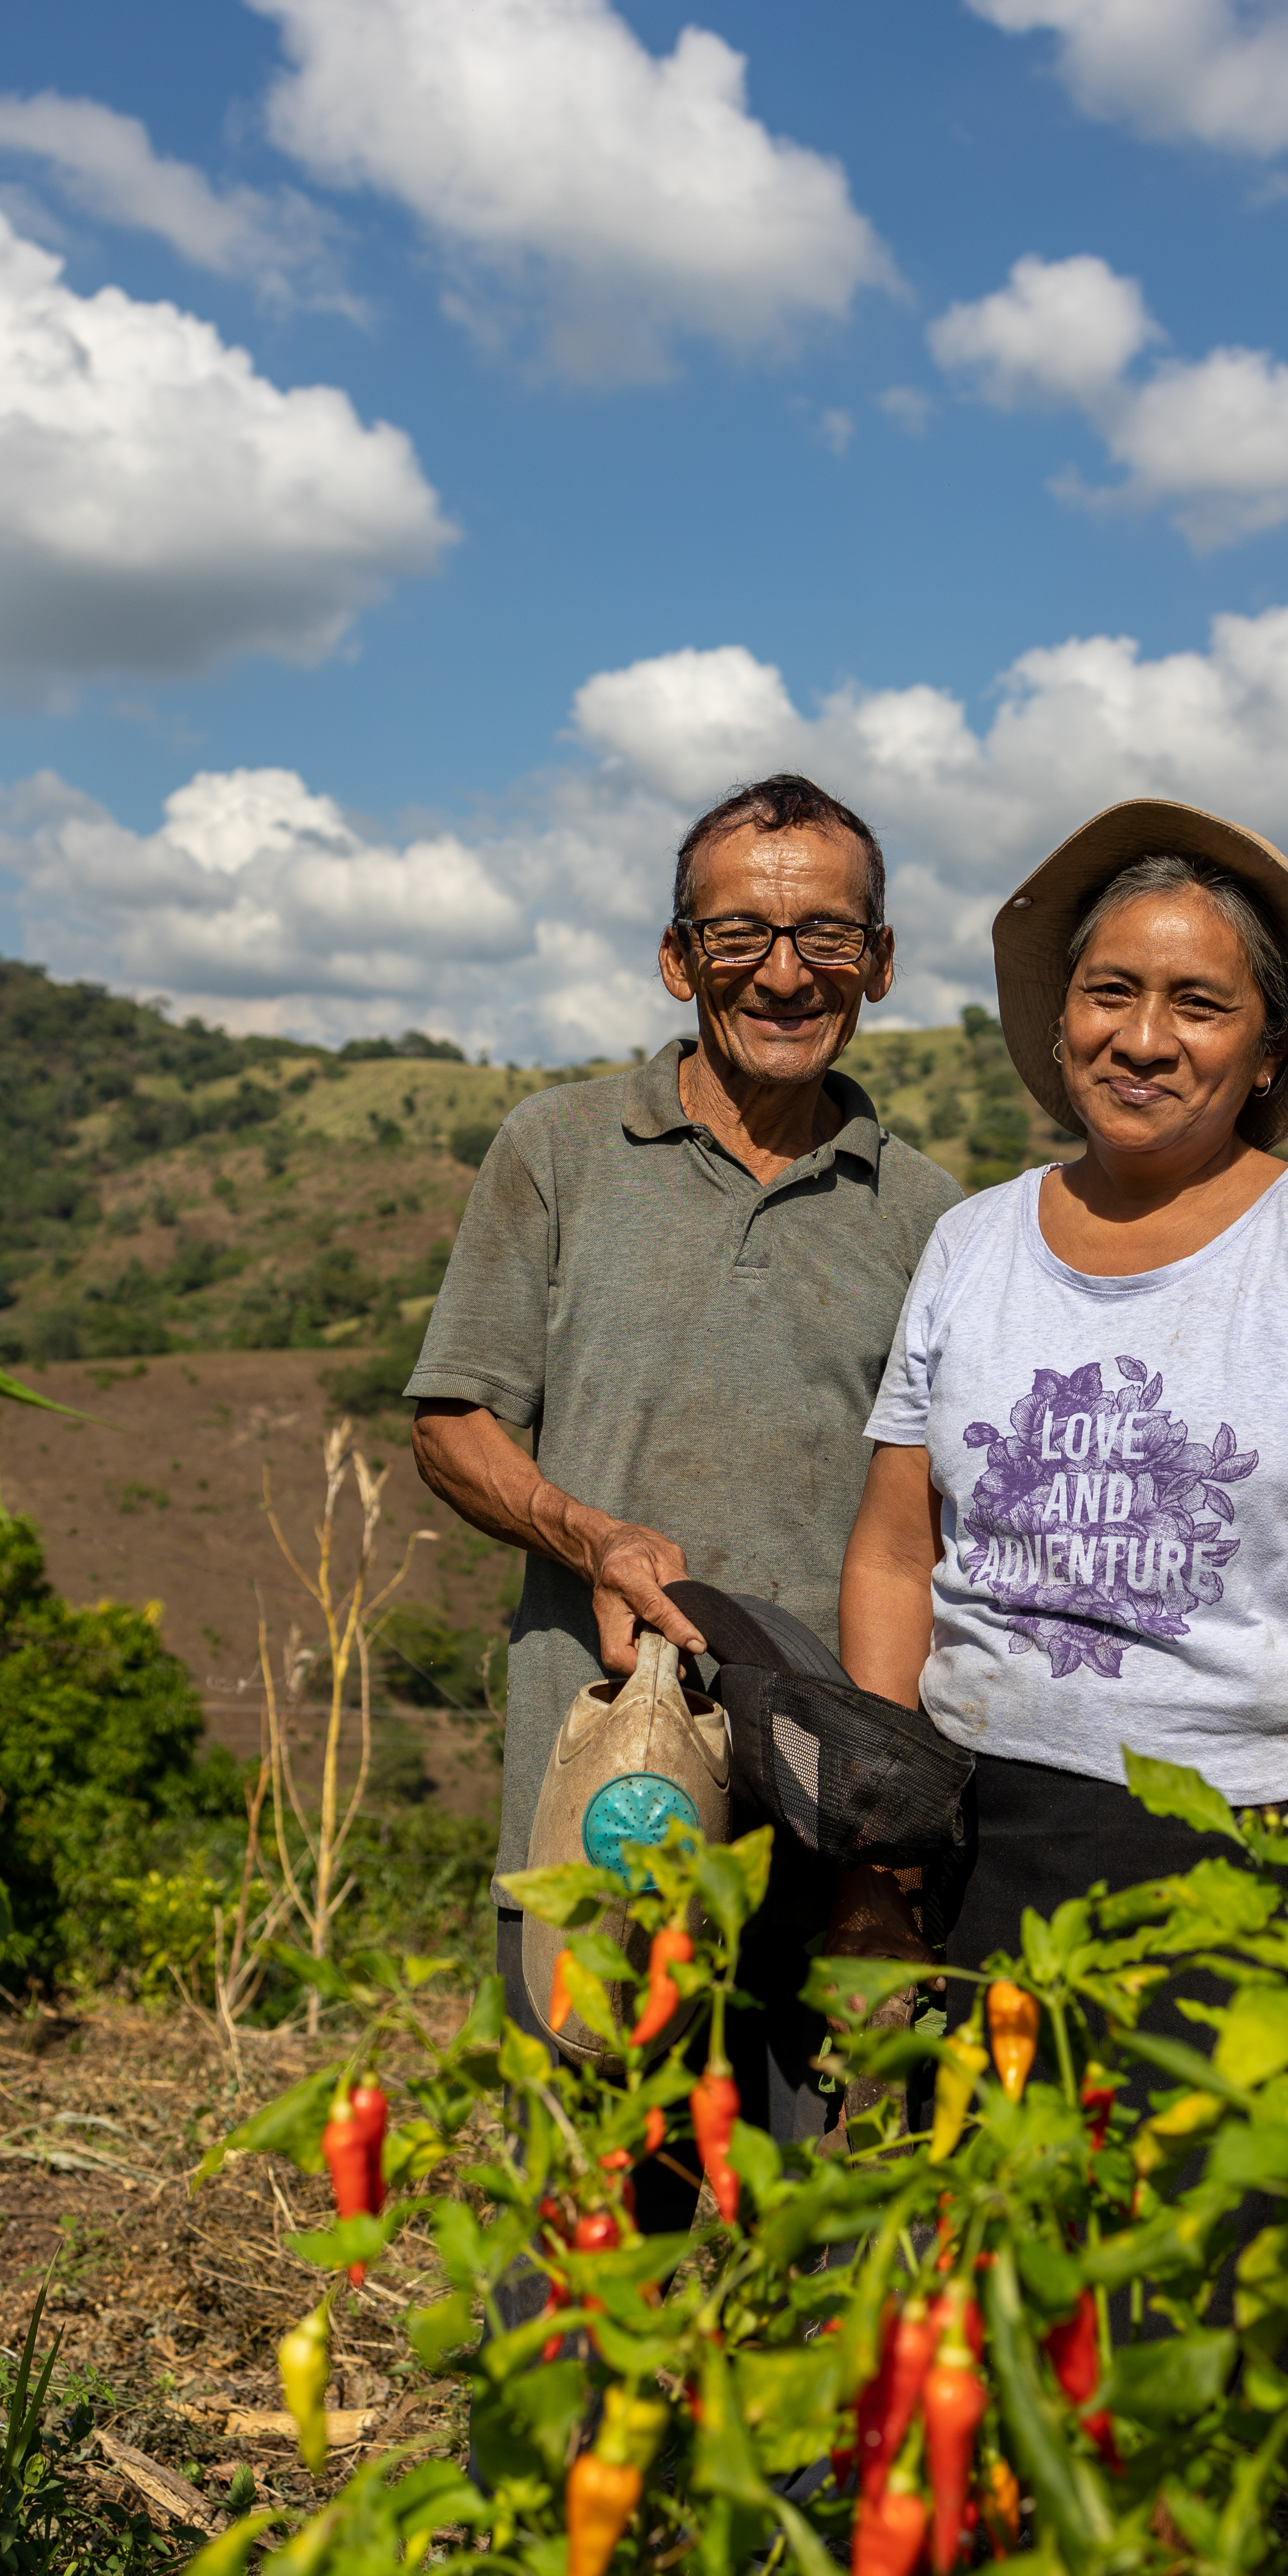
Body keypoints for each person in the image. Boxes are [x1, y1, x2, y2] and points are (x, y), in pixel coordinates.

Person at [839, 797, 1288, 2009]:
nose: (1143, 1039)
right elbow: (891, 1556)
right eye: (1109, 991)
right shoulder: (972, 1246)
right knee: (993, 2192)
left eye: (1199, 1004)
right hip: (981, 1841)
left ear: (1271, 1049)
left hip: (1257, 1851)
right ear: (1063, 1015)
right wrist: (879, 1854)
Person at [407, 772, 961, 2155]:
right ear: (678, 960)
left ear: (879, 965)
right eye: (738, 939)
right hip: (604, 1788)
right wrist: (587, 1536)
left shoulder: (938, 1220)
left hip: (836, 1832)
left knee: (828, 2247)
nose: (784, 974)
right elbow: (453, 1423)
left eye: (827, 937)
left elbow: (953, 1535)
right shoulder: (558, 1153)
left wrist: (893, 1865)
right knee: (593, 2241)